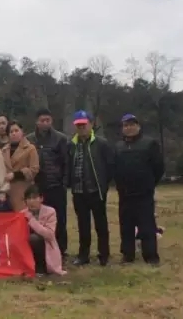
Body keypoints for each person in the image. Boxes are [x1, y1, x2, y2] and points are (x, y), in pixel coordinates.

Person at [66, 110, 114, 266]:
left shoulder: (101, 144)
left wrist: (103, 184)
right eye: (78, 125)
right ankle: (83, 255)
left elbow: (110, 165)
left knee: (101, 224)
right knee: (83, 225)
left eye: (84, 124)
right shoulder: (71, 145)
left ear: (91, 124)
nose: (81, 128)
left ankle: (104, 255)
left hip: (96, 190)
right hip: (78, 191)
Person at [115, 114, 164, 265]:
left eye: (132, 125)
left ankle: (151, 256)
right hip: (125, 194)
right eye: (126, 125)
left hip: (144, 194)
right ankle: (127, 255)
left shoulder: (149, 144)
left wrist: (149, 183)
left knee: (147, 225)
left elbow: (159, 167)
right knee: (126, 226)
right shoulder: (118, 147)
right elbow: (114, 168)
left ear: (138, 126)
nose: (129, 128)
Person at [26, 108, 69, 258]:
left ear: (51, 121)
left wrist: (64, 183)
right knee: (37, 219)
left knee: (60, 219)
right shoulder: (29, 139)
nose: (45, 123)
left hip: (56, 185)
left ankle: (61, 250)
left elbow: (66, 162)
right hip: (38, 187)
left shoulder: (60, 138)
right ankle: (40, 251)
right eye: (42, 120)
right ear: (36, 122)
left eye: (48, 120)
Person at [20, 185, 67, 276]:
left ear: (41, 199)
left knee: (34, 238)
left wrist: (31, 220)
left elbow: (49, 235)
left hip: (46, 246)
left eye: (34, 198)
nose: (31, 201)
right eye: (29, 198)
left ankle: (41, 268)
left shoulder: (50, 211)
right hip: (27, 248)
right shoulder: (22, 214)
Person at [2, 121, 40, 211]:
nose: (14, 133)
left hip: (24, 189)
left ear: (22, 132)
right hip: (6, 191)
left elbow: (34, 169)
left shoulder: (30, 148)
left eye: (16, 130)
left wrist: (16, 175)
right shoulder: (3, 150)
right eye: (11, 132)